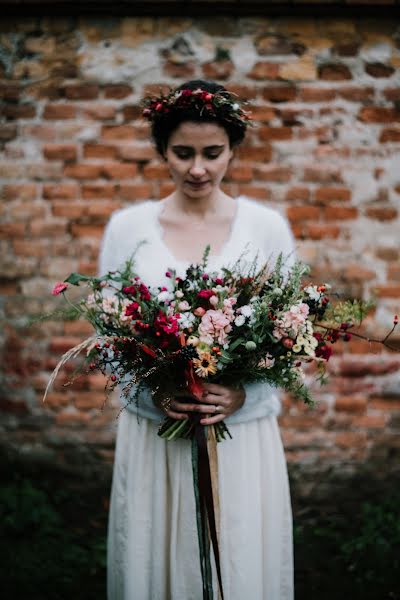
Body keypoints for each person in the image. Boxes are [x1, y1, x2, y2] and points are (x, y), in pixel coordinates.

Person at [99, 79, 296, 600]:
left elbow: (292, 340)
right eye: (182, 153)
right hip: (156, 437)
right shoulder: (126, 229)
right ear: (162, 150)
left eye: (213, 153)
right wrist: (154, 394)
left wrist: (241, 394)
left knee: (237, 556)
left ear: (234, 149)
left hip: (239, 438)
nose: (198, 169)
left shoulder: (267, 229)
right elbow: (109, 337)